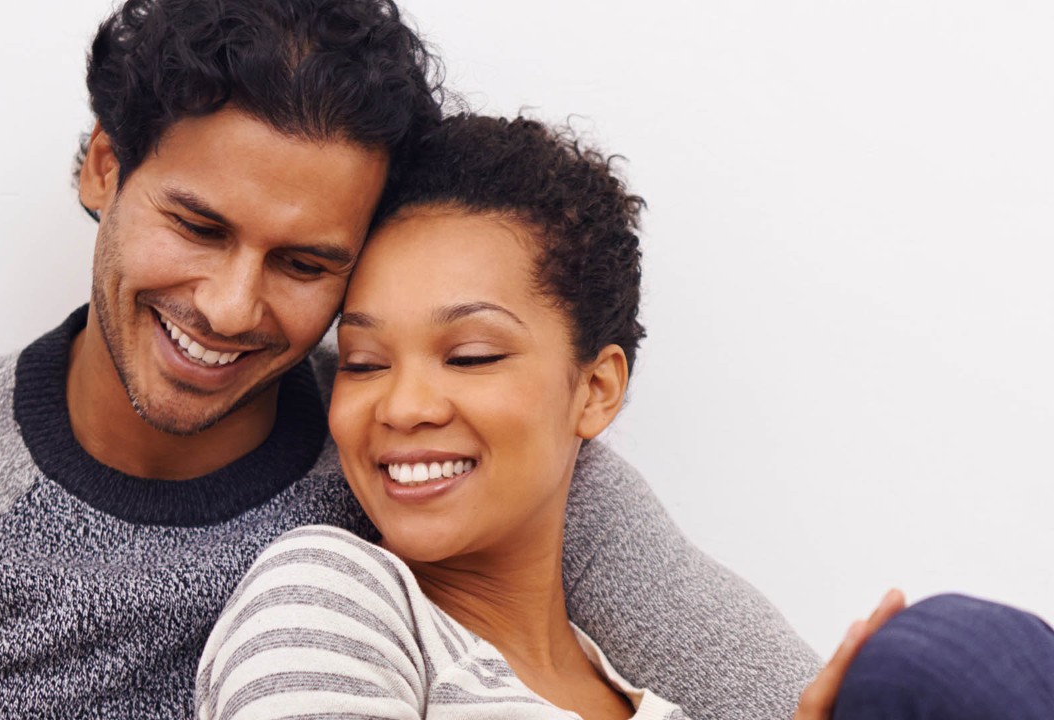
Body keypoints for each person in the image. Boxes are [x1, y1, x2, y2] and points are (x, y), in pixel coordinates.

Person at [0, 1, 818, 718]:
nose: (230, 308)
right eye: (197, 225)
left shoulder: (422, 460)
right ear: (103, 166)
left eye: (305, 261)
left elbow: (779, 698)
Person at [196, 114, 1054, 720]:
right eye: (365, 362)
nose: (406, 405)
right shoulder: (331, 595)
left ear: (596, 390)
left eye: (472, 356)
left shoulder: (663, 708)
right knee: (942, 654)